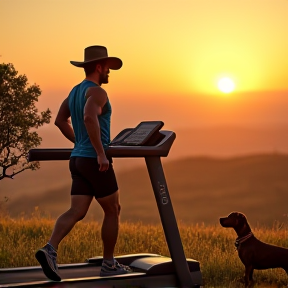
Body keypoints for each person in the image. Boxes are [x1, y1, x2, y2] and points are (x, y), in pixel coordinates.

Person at [35, 45, 131, 281]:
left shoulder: (75, 91)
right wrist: (99, 152)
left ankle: (50, 249)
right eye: (107, 68)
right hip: (94, 160)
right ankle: (109, 264)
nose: (109, 72)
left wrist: (80, 143)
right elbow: (90, 116)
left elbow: (60, 120)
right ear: (99, 67)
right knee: (113, 210)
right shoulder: (97, 93)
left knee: (77, 210)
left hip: (77, 159)